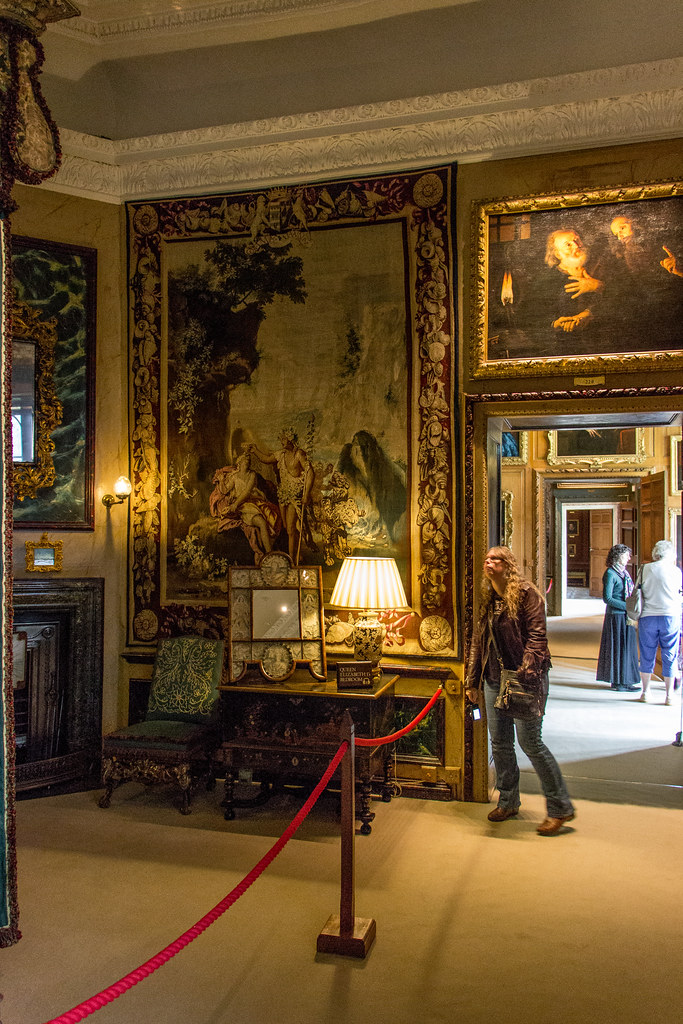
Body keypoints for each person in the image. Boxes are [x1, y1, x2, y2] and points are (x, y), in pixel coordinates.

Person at [466, 546, 575, 836]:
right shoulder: (489, 596)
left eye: (495, 559)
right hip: (493, 680)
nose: (488, 563)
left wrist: (526, 674)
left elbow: (538, 638)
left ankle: (560, 807)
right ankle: (508, 800)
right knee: (500, 743)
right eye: (486, 558)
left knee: (531, 743)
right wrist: (471, 681)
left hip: (525, 679)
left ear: (508, 565)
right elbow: (479, 641)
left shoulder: (528, 594)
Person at [637, 539, 683, 705]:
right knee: (670, 654)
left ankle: (645, 691)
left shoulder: (645, 569)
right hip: (670, 615)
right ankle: (669, 695)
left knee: (646, 653)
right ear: (670, 553)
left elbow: (638, 590)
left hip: (648, 615)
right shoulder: (676, 571)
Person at [596, 544, 640, 691]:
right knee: (617, 649)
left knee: (626, 649)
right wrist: (627, 606)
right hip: (616, 617)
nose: (628, 557)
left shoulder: (623, 573)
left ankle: (625, 680)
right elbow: (607, 598)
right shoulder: (610, 573)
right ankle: (618, 682)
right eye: (626, 555)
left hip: (626, 616)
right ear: (618, 556)